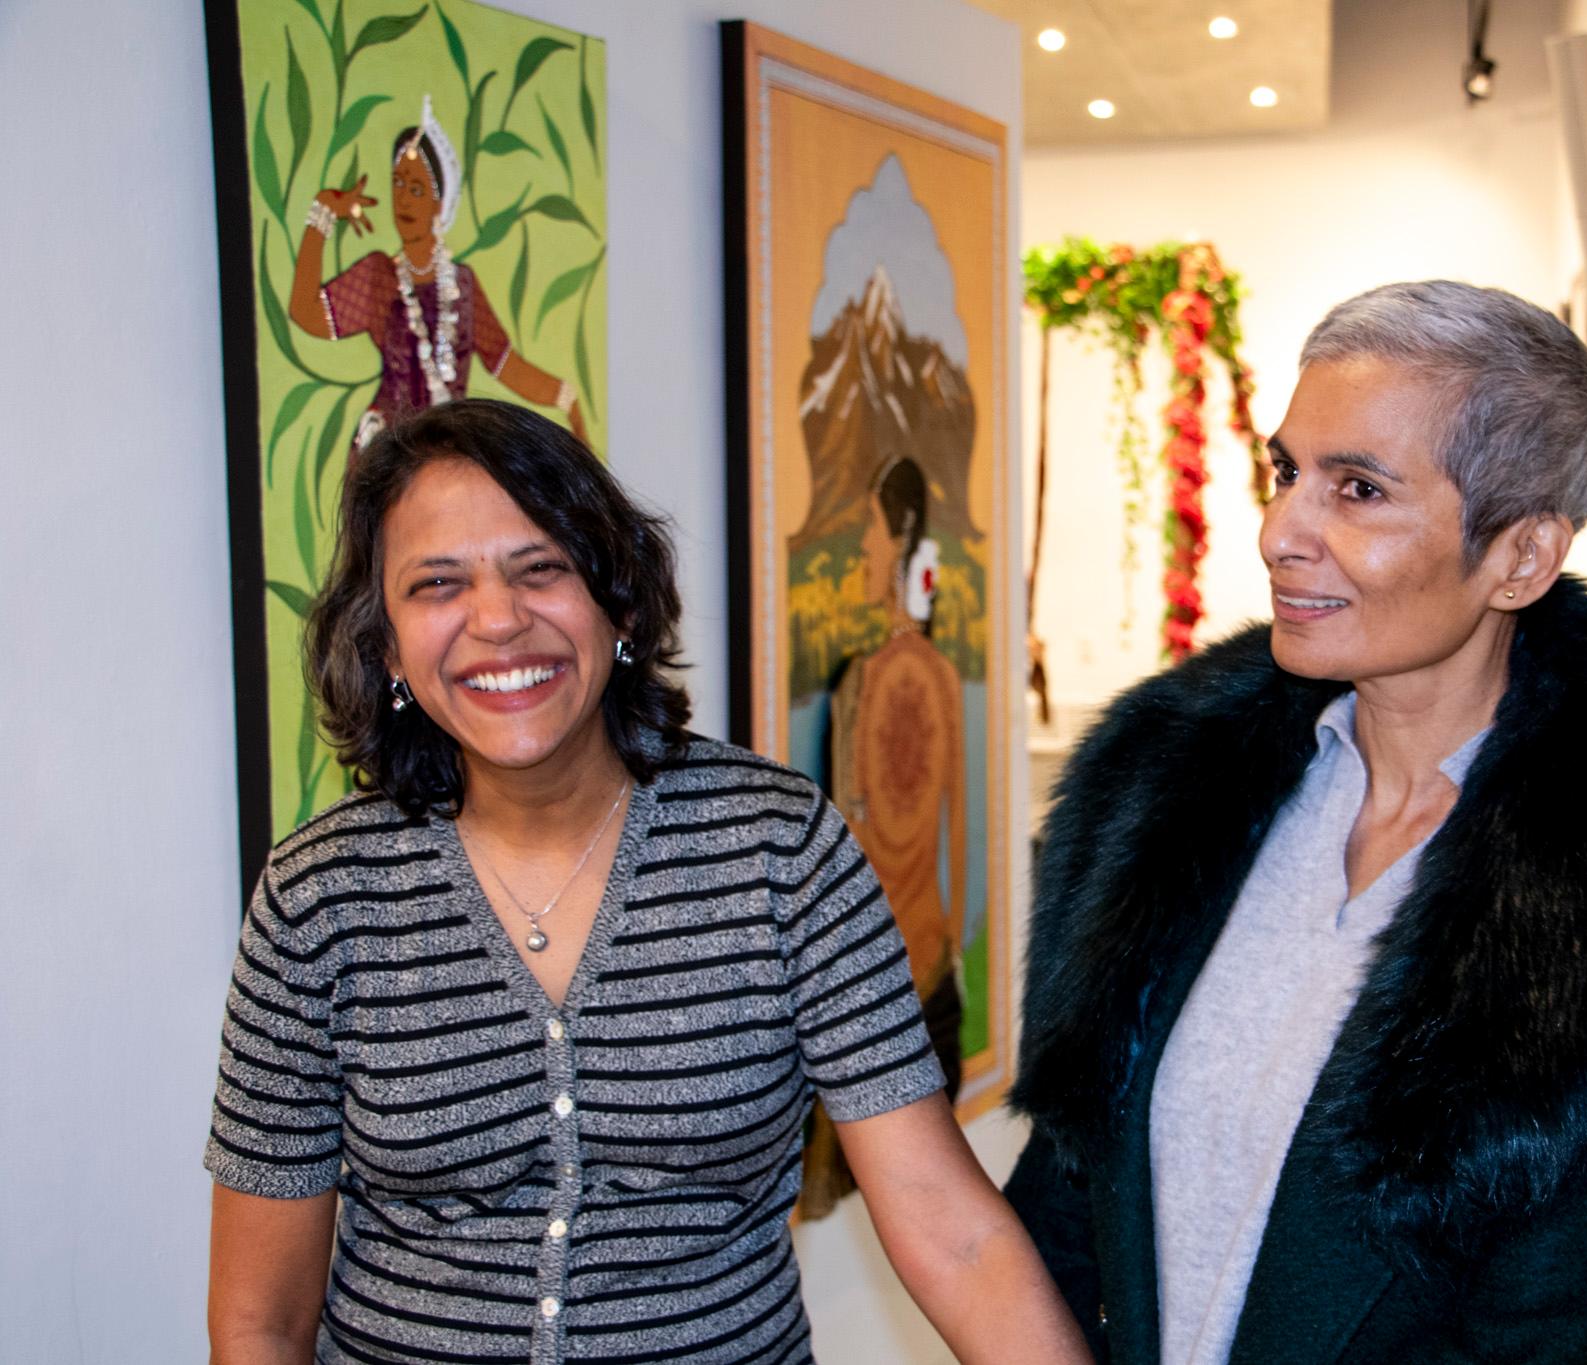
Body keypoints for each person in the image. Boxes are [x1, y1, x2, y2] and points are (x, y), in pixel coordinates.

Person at [1004, 281, 1587, 1364]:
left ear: (1519, 556)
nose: (1282, 531)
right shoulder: (1163, 796)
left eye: (1359, 490)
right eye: (1286, 472)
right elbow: (1065, 1202)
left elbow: (1549, 1336)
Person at [205, 399, 1088, 1364]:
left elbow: (954, 1235)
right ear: (388, 649)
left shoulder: (779, 850)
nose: (498, 619)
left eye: (542, 568)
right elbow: (261, 1321)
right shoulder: (318, 898)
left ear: (618, 605)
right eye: (437, 584)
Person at [802, 456, 970, 1217]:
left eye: (871, 529)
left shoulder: (870, 680)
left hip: (880, 974)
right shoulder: (938, 674)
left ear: (899, 534)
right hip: (933, 958)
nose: (865, 550)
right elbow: (955, 838)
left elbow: (861, 837)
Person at [288, 96, 586, 454]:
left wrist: (568, 399)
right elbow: (306, 311)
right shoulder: (379, 277)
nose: (404, 200)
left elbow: (506, 365)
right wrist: (322, 213)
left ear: (439, 202)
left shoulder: (463, 285)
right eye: (397, 184)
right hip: (388, 457)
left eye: (417, 189)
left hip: (450, 457)